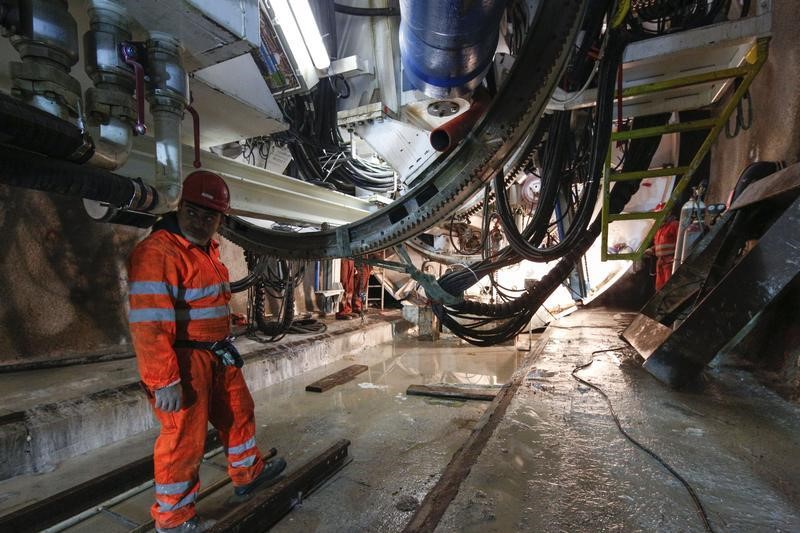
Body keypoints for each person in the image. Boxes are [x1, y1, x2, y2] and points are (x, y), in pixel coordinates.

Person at [127, 170, 286, 533]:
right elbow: (149, 323)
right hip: (183, 361)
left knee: (238, 411)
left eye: (210, 215)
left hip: (216, 354)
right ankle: (173, 518)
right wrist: (164, 380)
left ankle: (248, 473)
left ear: (221, 219)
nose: (201, 221)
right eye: (194, 211)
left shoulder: (206, 249)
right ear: (180, 205)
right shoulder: (158, 252)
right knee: (184, 439)